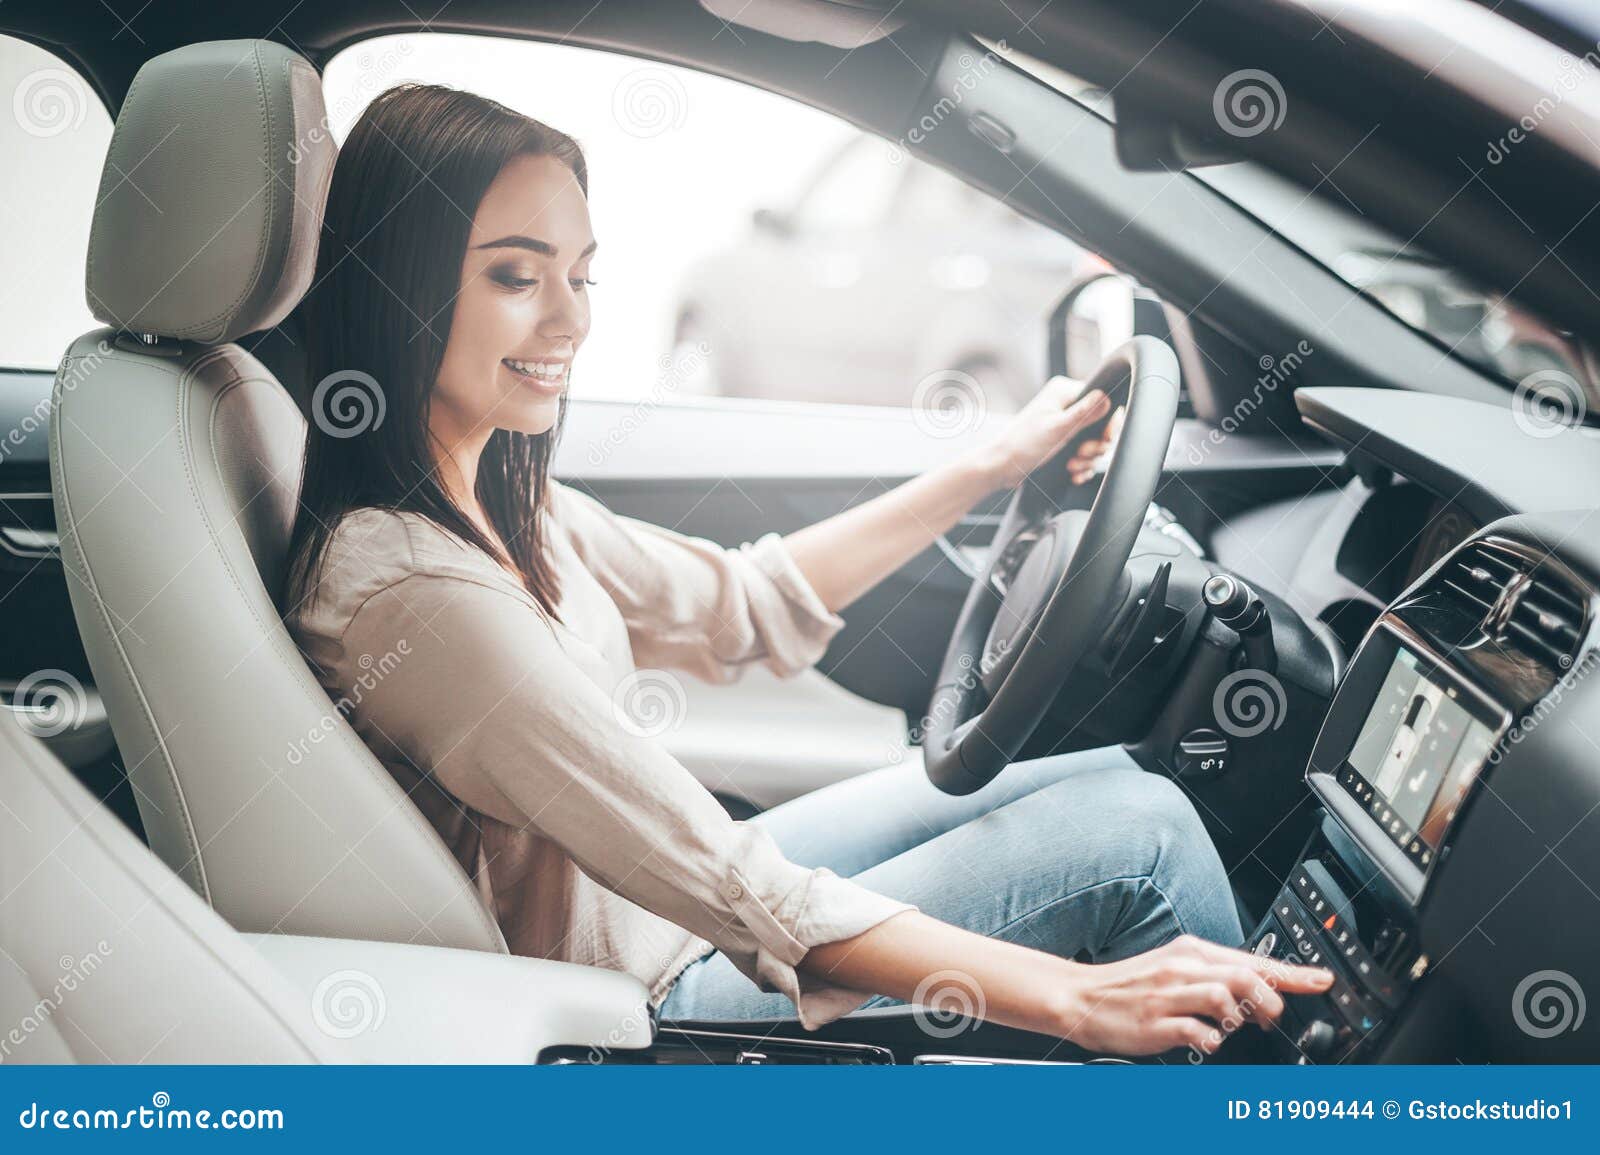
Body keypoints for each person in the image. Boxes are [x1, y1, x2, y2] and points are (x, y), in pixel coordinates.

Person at [283, 83, 1331, 1056]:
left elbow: (741, 603)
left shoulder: (499, 498)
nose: (571, 318)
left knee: (1112, 780)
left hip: (664, 913)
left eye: (581, 273)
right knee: (1136, 840)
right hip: (637, 1001)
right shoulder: (420, 595)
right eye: (517, 276)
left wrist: (991, 466)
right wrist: (1077, 1001)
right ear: (402, 283)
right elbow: (739, 889)